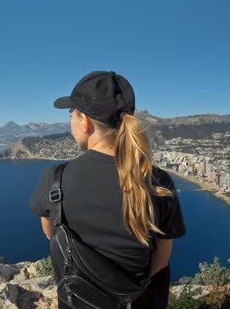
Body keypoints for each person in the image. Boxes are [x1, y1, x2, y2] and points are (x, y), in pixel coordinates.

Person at [29, 71, 186, 308]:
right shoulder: (158, 181)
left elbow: (52, 234)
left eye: (72, 115)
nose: (71, 123)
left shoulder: (56, 179)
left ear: (85, 121)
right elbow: (161, 261)